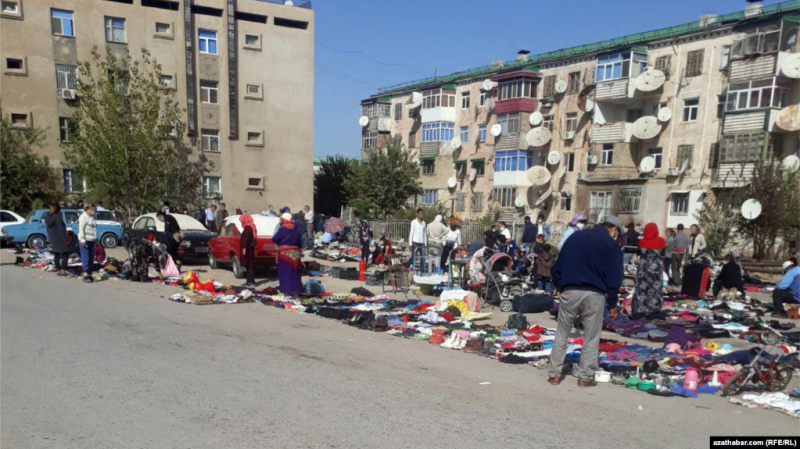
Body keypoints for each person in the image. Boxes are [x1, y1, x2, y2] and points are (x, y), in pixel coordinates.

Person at [549, 216, 624, 388]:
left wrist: (559, 286)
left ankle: (554, 375)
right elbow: (614, 278)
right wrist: (613, 303)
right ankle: (585, 378)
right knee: (591, 337)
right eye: (617, 232)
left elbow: (558, 265)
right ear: (612, 228)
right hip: (594, 294)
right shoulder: (611, 245)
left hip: (570, 291)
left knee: (562, 332)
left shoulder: (575, 237)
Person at [632, 223, 666, 319]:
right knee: (655, 288)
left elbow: (638, 253)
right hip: (656, 268)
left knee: (642, 288)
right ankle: (654, 310)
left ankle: (640, 310)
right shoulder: (661, 241)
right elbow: (663, 254)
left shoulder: (642, 242)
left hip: (644, 267)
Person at [272, 213, 304, 296]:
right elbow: (300, 243)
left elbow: (274, 239)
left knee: (285, 274)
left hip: (284, 256)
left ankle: (286, 294)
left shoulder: (282, 229)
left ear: (284, 220)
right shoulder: (296, 230)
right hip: (296, 255)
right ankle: (296, 294)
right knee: (295, 274)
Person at [45, 202, 69, 277]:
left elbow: (48, 229)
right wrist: (66, 240)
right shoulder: (58, 216)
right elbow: (61, 229)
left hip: (53, 238)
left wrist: (50, 238)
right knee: (65, 254)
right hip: (60, 238)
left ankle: (58, 269)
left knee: (57, 254)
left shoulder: (47, 217)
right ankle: (63, 270)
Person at [78, 205, 97, 283]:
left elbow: (94, 229)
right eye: (91, 210)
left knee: (91, 256)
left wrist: (95, 239)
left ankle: (90, 272)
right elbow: (81, 229)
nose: (92, 212)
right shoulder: (83, 217)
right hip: (85, 240)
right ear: (87, 209)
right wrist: (83, 240)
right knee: (86, 256)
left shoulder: (92, 217)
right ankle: (85, 273)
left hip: (91, 240)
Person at [239, 214, 258, 287]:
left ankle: (251, 282)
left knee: (249, 265)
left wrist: (244, 248)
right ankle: (248, 281)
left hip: (248, 249)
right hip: (249, 249)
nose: (241, 222)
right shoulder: (251, 226)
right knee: (249, 265)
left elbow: (247, 238)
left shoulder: (248, 228)